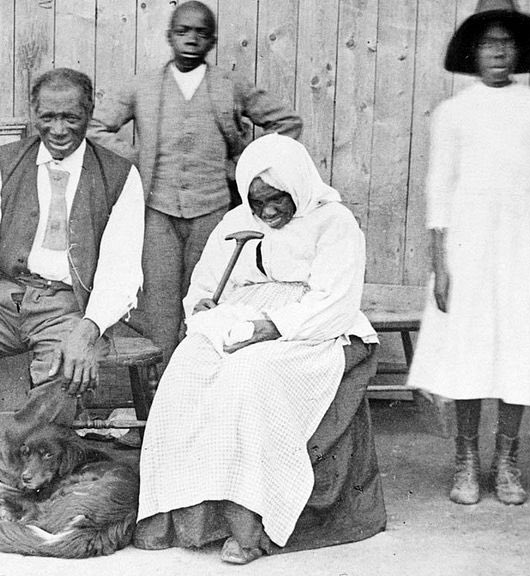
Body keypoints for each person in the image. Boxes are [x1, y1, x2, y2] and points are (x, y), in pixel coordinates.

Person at [0, 67, 144, 525]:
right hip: (0, 296)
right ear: (33, 113)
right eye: (47, 117)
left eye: (71, 117)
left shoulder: (119, 176)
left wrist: (90, 329)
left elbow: (122, 266)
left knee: (67, 370)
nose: (59, 129)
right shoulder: (0, 163)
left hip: (68, 304)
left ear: (89, 113)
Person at [134, 134, 386, 565]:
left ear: (297, 185)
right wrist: (203, 307)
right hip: (239, 320)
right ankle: (178, 516)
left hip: (313, 329)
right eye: (257, 203)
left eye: (276, 199)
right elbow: (204, 285)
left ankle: (249, 528)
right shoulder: (235, 222)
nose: (267, 212)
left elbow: (336, 302)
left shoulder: (334, 221)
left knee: (248, 375)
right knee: (185, 369)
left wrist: (271, 327)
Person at [406, 0, 530, 506]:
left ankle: (506, 460)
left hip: (522, 247)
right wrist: (441, 265)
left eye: (506, 42)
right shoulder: (454, 112)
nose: (498, 51)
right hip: (469, 247)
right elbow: (439, 192)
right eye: (488, 42)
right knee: (470, 351)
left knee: (517, 350)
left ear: (519, 50)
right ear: (473, 51)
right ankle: (465, 459)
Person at [88, 0, 302, 368]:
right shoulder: (144, 86)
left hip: (213, 208)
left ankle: (203, 375)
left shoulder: (229, 86)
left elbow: (287, 122)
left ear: (212, 41)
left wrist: (245, 166)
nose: (191, 39)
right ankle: (161, 382)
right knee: (160, 301)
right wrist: (136, 159)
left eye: (201, 33)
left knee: (209, 295)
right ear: (170, 36)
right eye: (183, 31)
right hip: (157, 209)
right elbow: (95, 127)